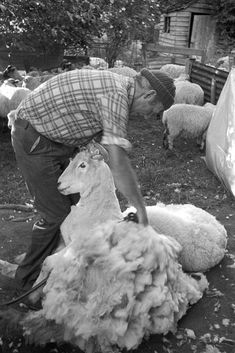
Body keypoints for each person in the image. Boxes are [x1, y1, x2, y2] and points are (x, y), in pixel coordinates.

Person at [10, 67, 175, 308]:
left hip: (53, 137)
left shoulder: (119, 87)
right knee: (56, 213)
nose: (150, 116)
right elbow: (118, 164)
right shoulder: (116, 96)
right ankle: (26, 285)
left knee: (75, 207)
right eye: (154, 110)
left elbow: (88, 118)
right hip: (35, 140)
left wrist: (99, 145)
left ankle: (64, 266)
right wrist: (140, 209)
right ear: (149, 95)